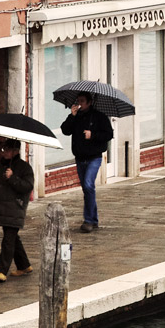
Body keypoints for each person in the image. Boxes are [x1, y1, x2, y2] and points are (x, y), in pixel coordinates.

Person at [61, 93, 114, 233]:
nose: (80, 104)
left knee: (89, 185)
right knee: (87, 188)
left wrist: (93, 135)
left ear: (90, 102)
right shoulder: (76, 116)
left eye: (82, 101)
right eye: (78, 101)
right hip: (80, 158)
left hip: (94, 157)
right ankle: (94, 219)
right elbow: (65, 130)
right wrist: (71, 116)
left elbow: (109, 134)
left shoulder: (99, 117)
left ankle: (88, 220)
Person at [0, 139, 35, 283]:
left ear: (15, 151)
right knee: (12, 237)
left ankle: (1, 270)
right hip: (1, 208)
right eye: (3, 150)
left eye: (7, 150)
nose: (4, 152)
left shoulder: (24, 168)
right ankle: (24, 265)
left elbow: (27, 187)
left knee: (8, 239)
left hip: (16, 208)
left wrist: (12, 178)